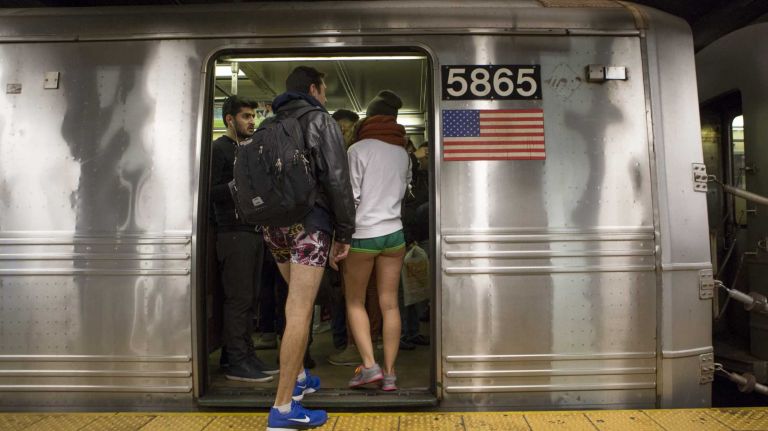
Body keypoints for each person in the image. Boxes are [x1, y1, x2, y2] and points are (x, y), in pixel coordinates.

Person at [263, 66, 355, 431]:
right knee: (300, 310)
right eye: (325, 89)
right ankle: (283, 410)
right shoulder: (321, 121)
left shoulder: (268, 125)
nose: (326, 97)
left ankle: (298, 378)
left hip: (273, 226)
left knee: (292, 304)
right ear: (314, 89)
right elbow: (337, 179)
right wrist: (345, 232)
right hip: (309, 226)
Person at [343, 90, 410, 392]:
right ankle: (392, 373)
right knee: (390, 304)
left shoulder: (358, 150)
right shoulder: (402, 153)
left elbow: (350, 198)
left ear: (369, 118)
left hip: (363, 236)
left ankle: (370, 366)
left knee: (355, 301)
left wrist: (339, 237)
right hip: (394, 235)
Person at [210, 96, 279, 383]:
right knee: (238, 300)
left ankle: (243, 354)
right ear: (229, 120)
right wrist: (237, 185)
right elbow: (209, 192)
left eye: (253, 116)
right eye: (245, 117)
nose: (251, 121)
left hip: (252, 231)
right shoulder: (219, 150)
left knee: (251, 299)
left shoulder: (248, 150)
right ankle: (236, 361)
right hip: (232, 233)